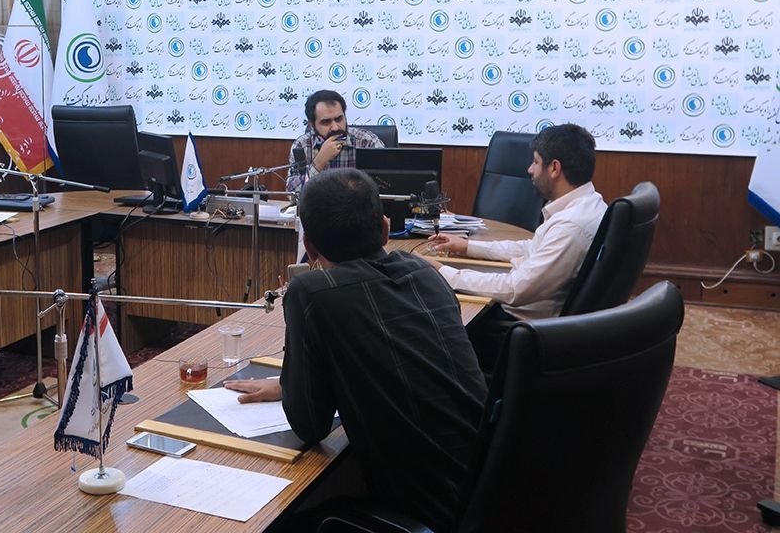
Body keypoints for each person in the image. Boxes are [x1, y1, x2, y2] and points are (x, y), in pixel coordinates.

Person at [225, 169, 485, 532]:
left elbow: (310, 426)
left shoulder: (311, 293)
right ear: (385, 229)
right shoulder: (425, 274)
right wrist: (290, 383)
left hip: (432, 512)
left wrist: (297, 381)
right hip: (490, 491)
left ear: (309, 246)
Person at [426, 124, 607, 367]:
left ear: (554, 168)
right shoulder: (588, 204)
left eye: (535, 162)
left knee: (426, 318)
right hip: (527, 324)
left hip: (516, 335)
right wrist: (468, 247)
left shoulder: (571, 226)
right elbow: (531, 248)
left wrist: (443, 273)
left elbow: (514, 290)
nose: (530, 169)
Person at [285, 90, 383, 194]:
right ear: (312, 125)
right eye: (326, 122)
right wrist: (319, 162)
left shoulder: (366, 142)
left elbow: (386, 185)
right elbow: (293, 194)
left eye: (339, 119)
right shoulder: (302, 145)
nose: (335, 127)